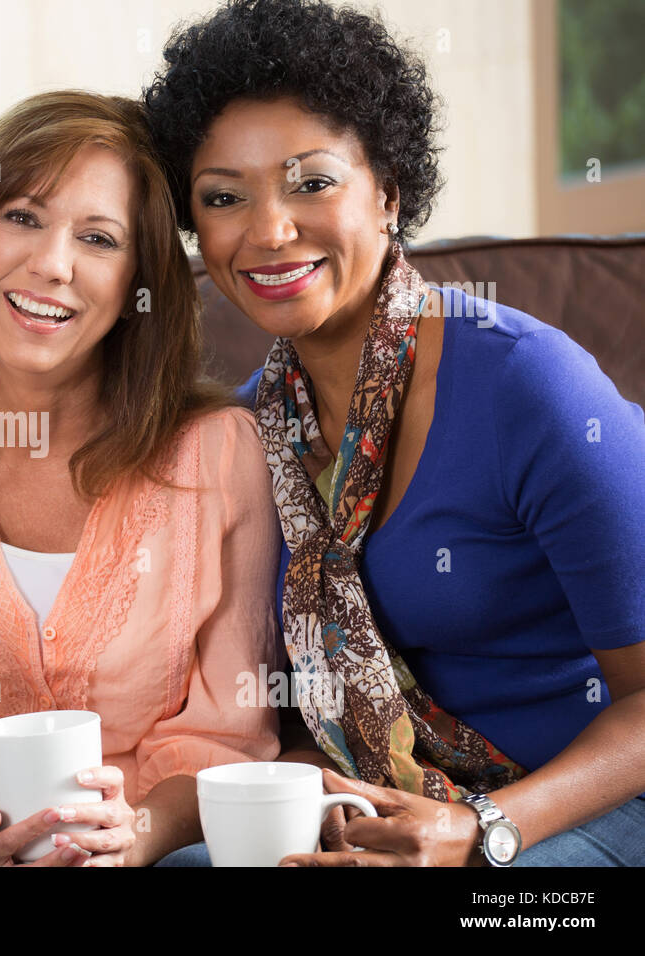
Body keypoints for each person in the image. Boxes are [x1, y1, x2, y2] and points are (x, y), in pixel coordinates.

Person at [143, 0, 645, 866]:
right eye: (225, 197)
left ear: (391, 194)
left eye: (312, 181)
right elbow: (290, 709)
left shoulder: (527, 384)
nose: (268, 230)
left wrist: (484, 828)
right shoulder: (246, 430)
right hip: (386, 814)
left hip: (579, 807)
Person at [0, 90, 287, 867]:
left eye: (98, 238)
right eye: (23, 217)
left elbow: (227, 732)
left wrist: (132, 839)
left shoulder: (218, 456)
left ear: (142, 279)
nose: (52, 265)